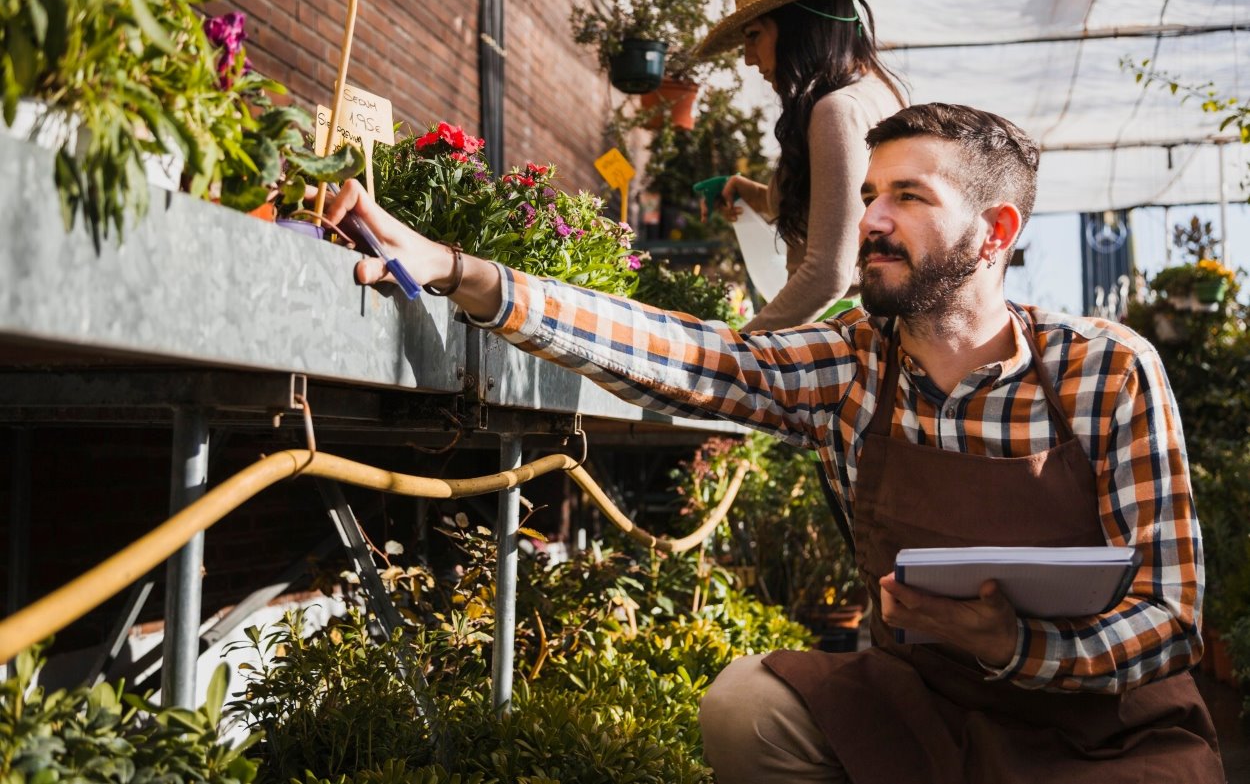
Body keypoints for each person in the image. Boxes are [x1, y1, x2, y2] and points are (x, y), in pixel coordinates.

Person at [326, 102, 1223, 783]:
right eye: (871, 195)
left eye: (909, 197)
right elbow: (690, 356)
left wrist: (1017, 645)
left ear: (995, 234)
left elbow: (1172, 619)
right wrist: (460, 270)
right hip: (927, 703)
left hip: (1100, 719)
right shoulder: (850, 362)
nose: (870, 219)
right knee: (744, 708)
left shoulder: (1105, 370)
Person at [695, 0, 905, 332]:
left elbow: (828, 273)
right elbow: (832, 211)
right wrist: (750, 192)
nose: (747, 58)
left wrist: (737, 351)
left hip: (837, 335)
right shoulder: (878, 91)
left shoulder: (836, 110)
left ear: (798, 25)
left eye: (754, 35)